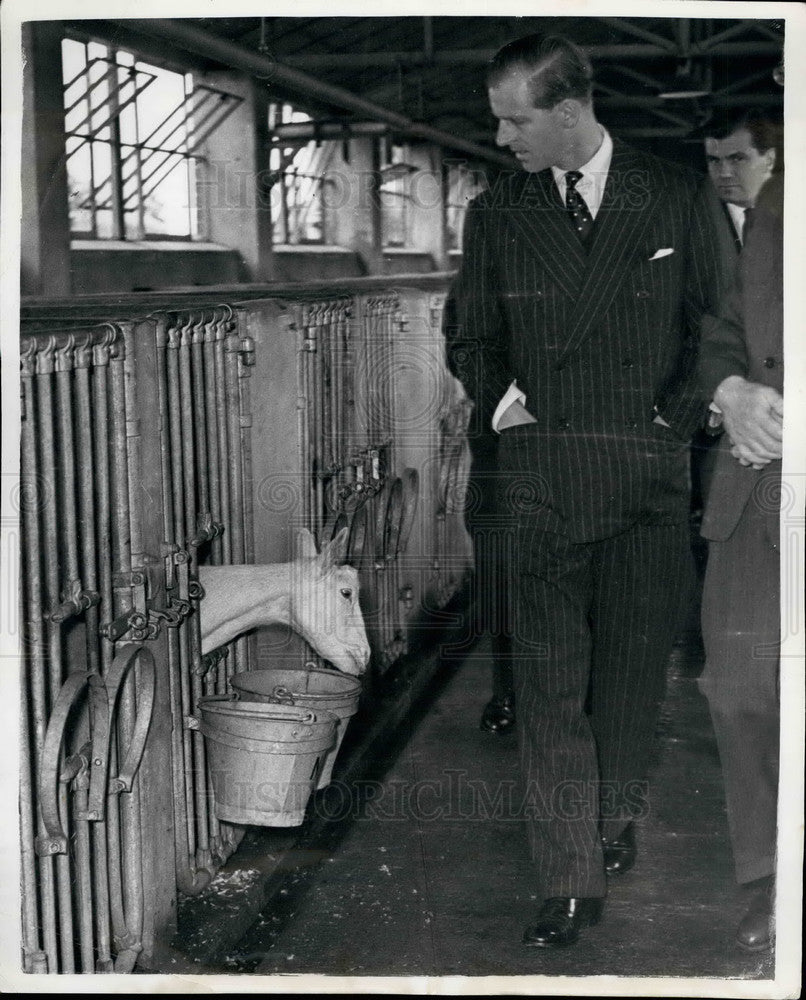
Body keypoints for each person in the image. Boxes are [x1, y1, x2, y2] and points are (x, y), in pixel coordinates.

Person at [446, 32, 731, 947]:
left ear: (568, 112)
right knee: (547, 688)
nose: (501, 138)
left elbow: (715, 326)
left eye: (513, 119)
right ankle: (571, 876)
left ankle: (610, 817)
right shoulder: (496, 213)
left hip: (645, 481)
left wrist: (671, 422)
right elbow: (471, 338)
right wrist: (504, 404)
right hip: (539, 484)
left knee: (629, 678)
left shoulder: (678, 196)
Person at [697, 164, 784, 954]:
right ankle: (768, 879)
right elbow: (723, 328)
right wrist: (729, 389)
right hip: (759, 479)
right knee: (740, 690)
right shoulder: (772, 203)